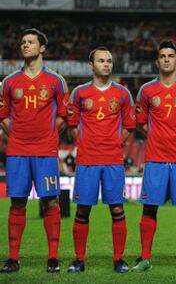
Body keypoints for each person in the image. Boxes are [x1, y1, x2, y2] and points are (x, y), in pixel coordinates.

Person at [0, 28, 68, 273]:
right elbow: (3, 116)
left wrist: (47, 136)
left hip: (46, 152)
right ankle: (13, 258)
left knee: (50, 201)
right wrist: (18, 136)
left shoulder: (56, 81)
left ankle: (52, 257)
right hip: (17, 151)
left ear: (42, 48)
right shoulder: (8, 82)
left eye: (30, 42)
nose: (24, 45)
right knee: (17, 203)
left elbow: (64, 116)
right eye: (22, 42)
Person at [133, 41, 176, 272]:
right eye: (162, 56)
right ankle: (145, 258)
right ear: (157, 61)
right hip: (155, 158)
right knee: (149, 208)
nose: (166, 59)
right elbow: (141, 122)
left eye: (170, 55)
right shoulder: (146, 90)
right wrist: (157, 137)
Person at [66, 47, 136, 273]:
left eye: (109, 61)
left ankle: (118, 259)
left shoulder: (123, 94)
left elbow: (129, 126)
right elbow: (72, 124)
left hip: (113, 161)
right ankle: (79, 259)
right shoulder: (80, 93)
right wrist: (85, 144)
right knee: (82, 211)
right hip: (87, 160)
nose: (106, 64)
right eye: (101, 61)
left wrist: (116, 143)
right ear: (91, 65)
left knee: (117, 210)